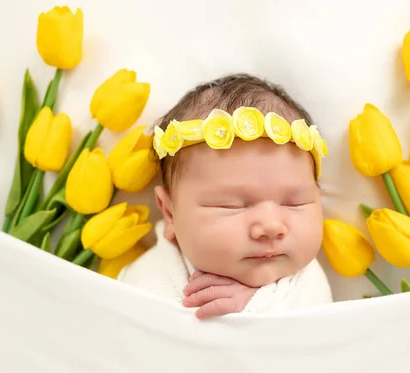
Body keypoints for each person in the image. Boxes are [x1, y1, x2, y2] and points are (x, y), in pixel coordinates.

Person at [118, 73, 333, 319]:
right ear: (170, 213)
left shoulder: (306, 281)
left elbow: (315, 332)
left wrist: (256, 306)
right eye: (231, 206)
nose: (271, 226)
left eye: (294, 203)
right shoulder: (148, 279)